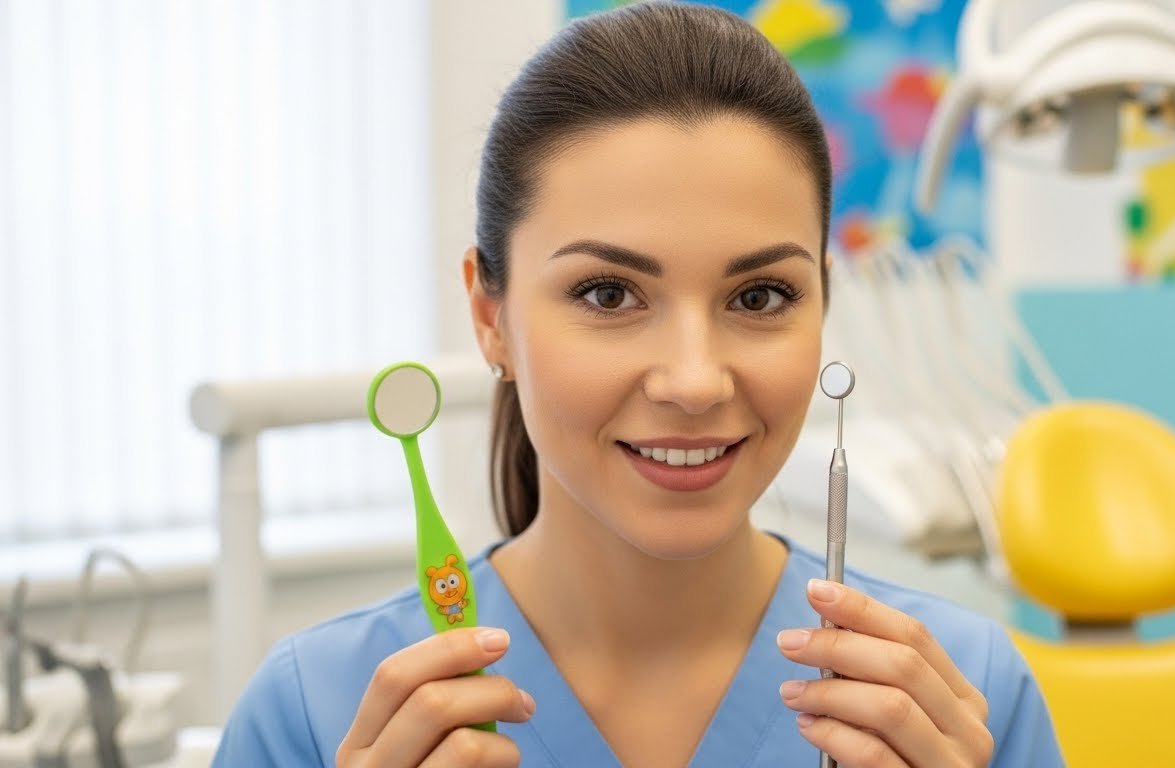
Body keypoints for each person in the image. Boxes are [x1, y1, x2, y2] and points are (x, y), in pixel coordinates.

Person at [212, 2, 1063, 766]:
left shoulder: (962, 700)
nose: (694, 380)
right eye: (607, 294)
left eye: (759, 296)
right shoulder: (309, 719)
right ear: (489, 315)